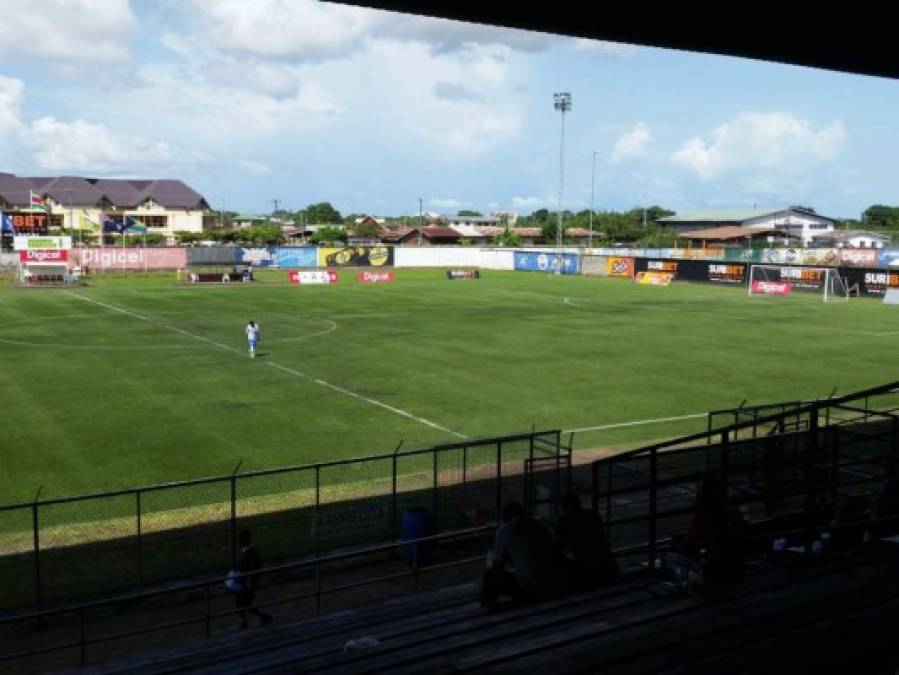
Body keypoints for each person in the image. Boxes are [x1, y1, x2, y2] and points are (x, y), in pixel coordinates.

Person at [480, 502, 557, 609]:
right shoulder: (538, 525)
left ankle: (487, 604)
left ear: (506, 517)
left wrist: (493, 550)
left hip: (531, 588)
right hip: (551, 583)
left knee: (491, 572)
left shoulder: (505, 530)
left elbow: (492, 564)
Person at [554, 490, 617, 591]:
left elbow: (560, 545)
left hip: (583, 569)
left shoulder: (564, 522)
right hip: (602, 565)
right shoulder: (593, 515)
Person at [235, 530, 272, 630]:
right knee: (244, 603)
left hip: (247, 583)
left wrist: (249, 581)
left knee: (242, 603)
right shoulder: (249, 551)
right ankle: (259, 618)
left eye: (240, 539)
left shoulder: (250, 552)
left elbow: (253, 568)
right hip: (247, 582)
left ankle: (248, 621)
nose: (239, 542)